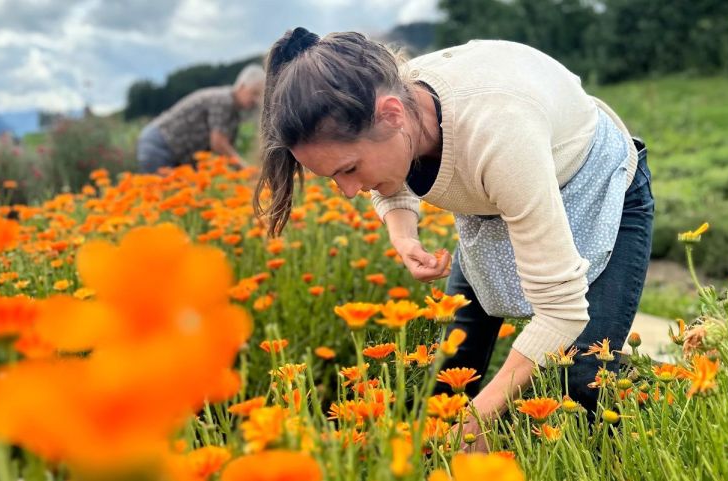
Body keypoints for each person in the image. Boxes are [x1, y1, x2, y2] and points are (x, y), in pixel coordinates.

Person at [254, 28, 654, 448]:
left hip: (601, 189)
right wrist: (403, 231)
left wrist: (481, 414)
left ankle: (636, 446)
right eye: (332, 176)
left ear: (392, 114)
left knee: (583, 376)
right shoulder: (394, 105)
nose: (349, 191)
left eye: (348, 170)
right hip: (502, 197)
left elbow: (562, 311)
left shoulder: (499, 134)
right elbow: (391, 171)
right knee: (452, 369)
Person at [136, 63, 265, 173]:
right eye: (253, 93)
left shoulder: (233, 112)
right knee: (165, 193)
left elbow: (225, 151)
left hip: (167, 149)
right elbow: (219, 144)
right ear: (241, 86)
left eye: (259, 96)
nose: (256, 100)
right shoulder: (224, 101)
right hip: (159, 145)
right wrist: (245, 169)